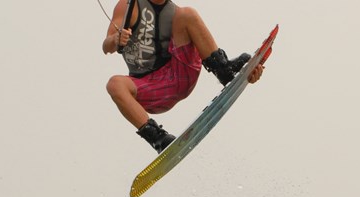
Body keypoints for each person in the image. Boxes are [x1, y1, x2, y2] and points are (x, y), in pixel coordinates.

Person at [103, 0, 265, 153]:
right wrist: (115, 39)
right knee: (115, 84)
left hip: (178, 76)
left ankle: (224, 71)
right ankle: (159, 139)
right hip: (149, 89)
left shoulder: (174, 13)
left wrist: (246, 77)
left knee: (187, 14)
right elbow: (106, 46)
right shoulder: (129, 6)